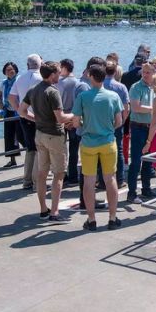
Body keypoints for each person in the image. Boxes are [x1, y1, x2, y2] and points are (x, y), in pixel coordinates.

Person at [18, 61, 73, 223]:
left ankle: (43, 209)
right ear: (52, 74)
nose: (60, 75)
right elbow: (61, 118)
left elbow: (21, 111)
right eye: (58, 72)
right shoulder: (52, 92)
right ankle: (54, 212)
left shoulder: (33, 89)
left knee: (42, 173)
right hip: (54, 136)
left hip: (40, 134)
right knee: (58, 174)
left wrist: (36, 119)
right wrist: (76, 116)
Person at [72, 64, 124, 231]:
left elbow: (75, 122)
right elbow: (119, 121)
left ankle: (91, 219)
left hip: (88, 143)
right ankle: (112, 217)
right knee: (110, 179)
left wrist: (85, 125)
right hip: (108, 142)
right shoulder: (113, 96)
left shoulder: (83, 96)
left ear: (92, 77)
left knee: (89, 180)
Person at [8, 54, 43, 190]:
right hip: (39, 117)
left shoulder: (20, 78)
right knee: (40, 149)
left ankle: (27, 180)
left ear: (28, 64)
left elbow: (11, 97)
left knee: (30, 149)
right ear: (40, 64)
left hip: (24, 117)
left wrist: (19, 110)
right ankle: (36, 182)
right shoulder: (42, 78)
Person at [127, 62, 156, 203]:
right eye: (144, 72)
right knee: (136, 161)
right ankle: (132, 193)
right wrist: (153, 109)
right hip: (138, 126)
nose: (145, 75)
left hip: (150, 127)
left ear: (153, 73)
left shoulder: (154, 87)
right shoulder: (136, 87)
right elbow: (136, 107)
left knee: (148, 160)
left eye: (148, 72)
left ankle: (146, 189)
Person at [103, 61, 130, 187]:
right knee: (118, 150)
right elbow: (126, 107)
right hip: (116, 122)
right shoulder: (121, 87)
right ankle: (119, 179)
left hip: (101, 122)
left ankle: (101, 180)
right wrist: (123, 120)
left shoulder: (99, 85)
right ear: (115, 72)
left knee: (100, 150)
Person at [57, 59, 81, 187]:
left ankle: (63, 174)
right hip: (74, 117)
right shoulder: (78, 83)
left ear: (65, 68)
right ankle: (73, 176)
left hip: (61, 117)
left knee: (61, 149)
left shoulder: (59, 83)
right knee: (74, 148)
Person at [0, 61, 24, 168]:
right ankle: (12, 159)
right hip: (8, 110)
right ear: (4, 72)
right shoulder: (4, 83)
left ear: (16, 70)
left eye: (12, 69)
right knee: (9, 135)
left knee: (21, 134)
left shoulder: (19, 81)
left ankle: (32, 154)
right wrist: (1, 104)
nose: (10, 72)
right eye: (7, 70)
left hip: (19, 111)